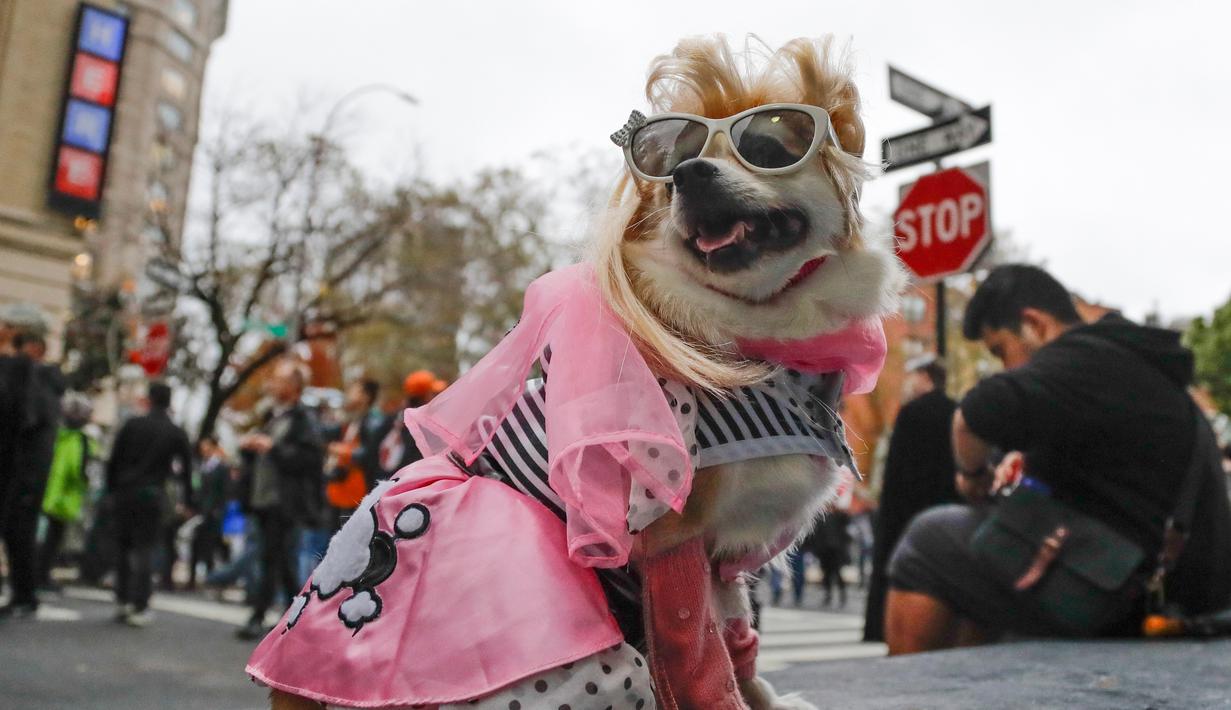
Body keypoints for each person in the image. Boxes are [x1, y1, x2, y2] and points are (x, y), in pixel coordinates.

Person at [885, 264, 1231, 653]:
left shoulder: (1081, 356)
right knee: (985, 550)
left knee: (928, 541)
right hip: (1178, 594)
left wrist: (973, 475)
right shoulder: (1135, 366)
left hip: (1134, 603)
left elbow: (971, 418)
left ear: (1033, 324)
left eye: (1001, 350)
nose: (1005, 366)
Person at [864, 357, 961, 641]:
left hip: (907, 514)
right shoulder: (956, 410)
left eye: (913, 375)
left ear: (926, 377)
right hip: (946, 510)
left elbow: (896, 474)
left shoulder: (910, 413)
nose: (909, 382)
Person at [235, 359, 324, 641]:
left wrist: (273, 448)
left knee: (275, 556)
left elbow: (310, 460)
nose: (272, 384)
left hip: (284, 502)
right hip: (265, 499)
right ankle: (294, 616)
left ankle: (262, 615)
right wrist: (250, 448)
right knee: (278, 558)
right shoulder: (273, 417)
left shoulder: (303, 420)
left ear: (294, 387)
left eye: (279, 379)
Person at [105, 382, 194, 626]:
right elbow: (187, 469)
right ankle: (140, 603)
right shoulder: (174, 431)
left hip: (124, 491)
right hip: (152, 493)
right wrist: (189, 501)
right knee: (145, 548)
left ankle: (122, 598)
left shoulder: (132, 425)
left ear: (149, 399)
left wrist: (110, 491)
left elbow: (113, 461)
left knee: (123, 546)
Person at [0, 323, 64, 619]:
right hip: (28, 472)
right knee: (18, 534)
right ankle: (25, 595)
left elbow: (22, 421)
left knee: (18, 532)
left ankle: (25, 595)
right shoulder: (43, 382)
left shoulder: (31, 378)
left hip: (23, 472)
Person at [37, 392, 98, 591]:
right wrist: (85, 480)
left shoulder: (57, 434)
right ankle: (42, 576)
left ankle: (38, 574)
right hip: (65, 498)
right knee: (53, 541)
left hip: (49, 492)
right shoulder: (80, 439)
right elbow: (77, 468)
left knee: (43, 538)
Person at [324, 378, 391, 527]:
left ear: (365, 396)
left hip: (357, 491)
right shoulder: (354, 419)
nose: (349, 395)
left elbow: (372, 453)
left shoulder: (373, 421)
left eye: (354, 390)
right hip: (344, 490)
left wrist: (345, 452)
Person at [187, 437, 230, 590]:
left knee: (210, 547)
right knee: (195, 545)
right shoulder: (200, 466)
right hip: (200, 512)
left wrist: (218, 510)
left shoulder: (221, 467)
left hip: (213, 513)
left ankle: (211, 578)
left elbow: (224, 491)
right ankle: (192, 579)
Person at [375, 370, 435, 477]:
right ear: (425, 395)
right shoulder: (423, 422)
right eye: (432, 392)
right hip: (407, 482)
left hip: (387, 479)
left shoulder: (395, 416)